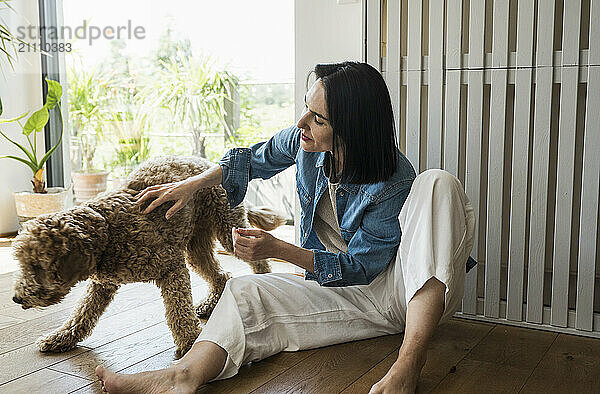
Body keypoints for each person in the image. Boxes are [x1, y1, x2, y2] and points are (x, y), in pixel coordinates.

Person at [95, 61, 476, 394]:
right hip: (346, 293)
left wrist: (278, 250)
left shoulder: (392, 180)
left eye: (318, 119)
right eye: (306, 110)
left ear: (352, 130)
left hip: (400, 292)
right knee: (244, 290)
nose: (302, 124)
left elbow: (362, 268)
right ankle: (182, 377)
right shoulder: (306, 143)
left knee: (438, 183)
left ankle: (408, 363)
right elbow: (255, 158)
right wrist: (191, 184)